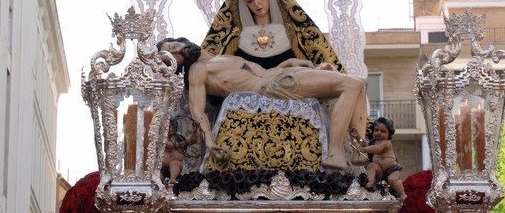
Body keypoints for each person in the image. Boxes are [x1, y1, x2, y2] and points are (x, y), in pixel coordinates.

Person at [156, 37, 369, 171]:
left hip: (281, 75)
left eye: (174, 47)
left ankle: (358, 148)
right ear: (175, 66)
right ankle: (334, 154)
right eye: (170, 57)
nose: (177, 52)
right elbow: (197, 110)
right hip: (275, 87)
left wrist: (288, 63)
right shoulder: (197, 70)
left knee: (360, 83)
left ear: (181, 41)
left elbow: (259, 72)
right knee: (351, 84)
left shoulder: (216, 58)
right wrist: (210, 143)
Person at [202, 0, 345, 72]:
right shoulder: (237, 38)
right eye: (249, 1)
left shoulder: (293, 34)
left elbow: (314, 63)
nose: (256, 4)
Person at [352, 117, 406, 200]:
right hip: (379, 169)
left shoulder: (386, 142)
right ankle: (371, 181)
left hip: (391, 169)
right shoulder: (373, 141)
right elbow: (365, 143)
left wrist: (364, 149)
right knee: (371, 166)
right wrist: (358, 137)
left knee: (392, 180)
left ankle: (402, 193)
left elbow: (377, 149)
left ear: (389, 133)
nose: (379, 133)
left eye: (383, 131)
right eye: (376, 130)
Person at [161, 119, 199, 184]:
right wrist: (178, 144)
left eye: (173, 126)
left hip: (176, 165)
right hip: (162, 167)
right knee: (158, 180)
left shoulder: (179, 138)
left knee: (174, 163)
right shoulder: (161, 138)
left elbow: (192, 140)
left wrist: (195, 131)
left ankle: (172, 178)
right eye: (169, 127)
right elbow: (167, 144)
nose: (171, 129)